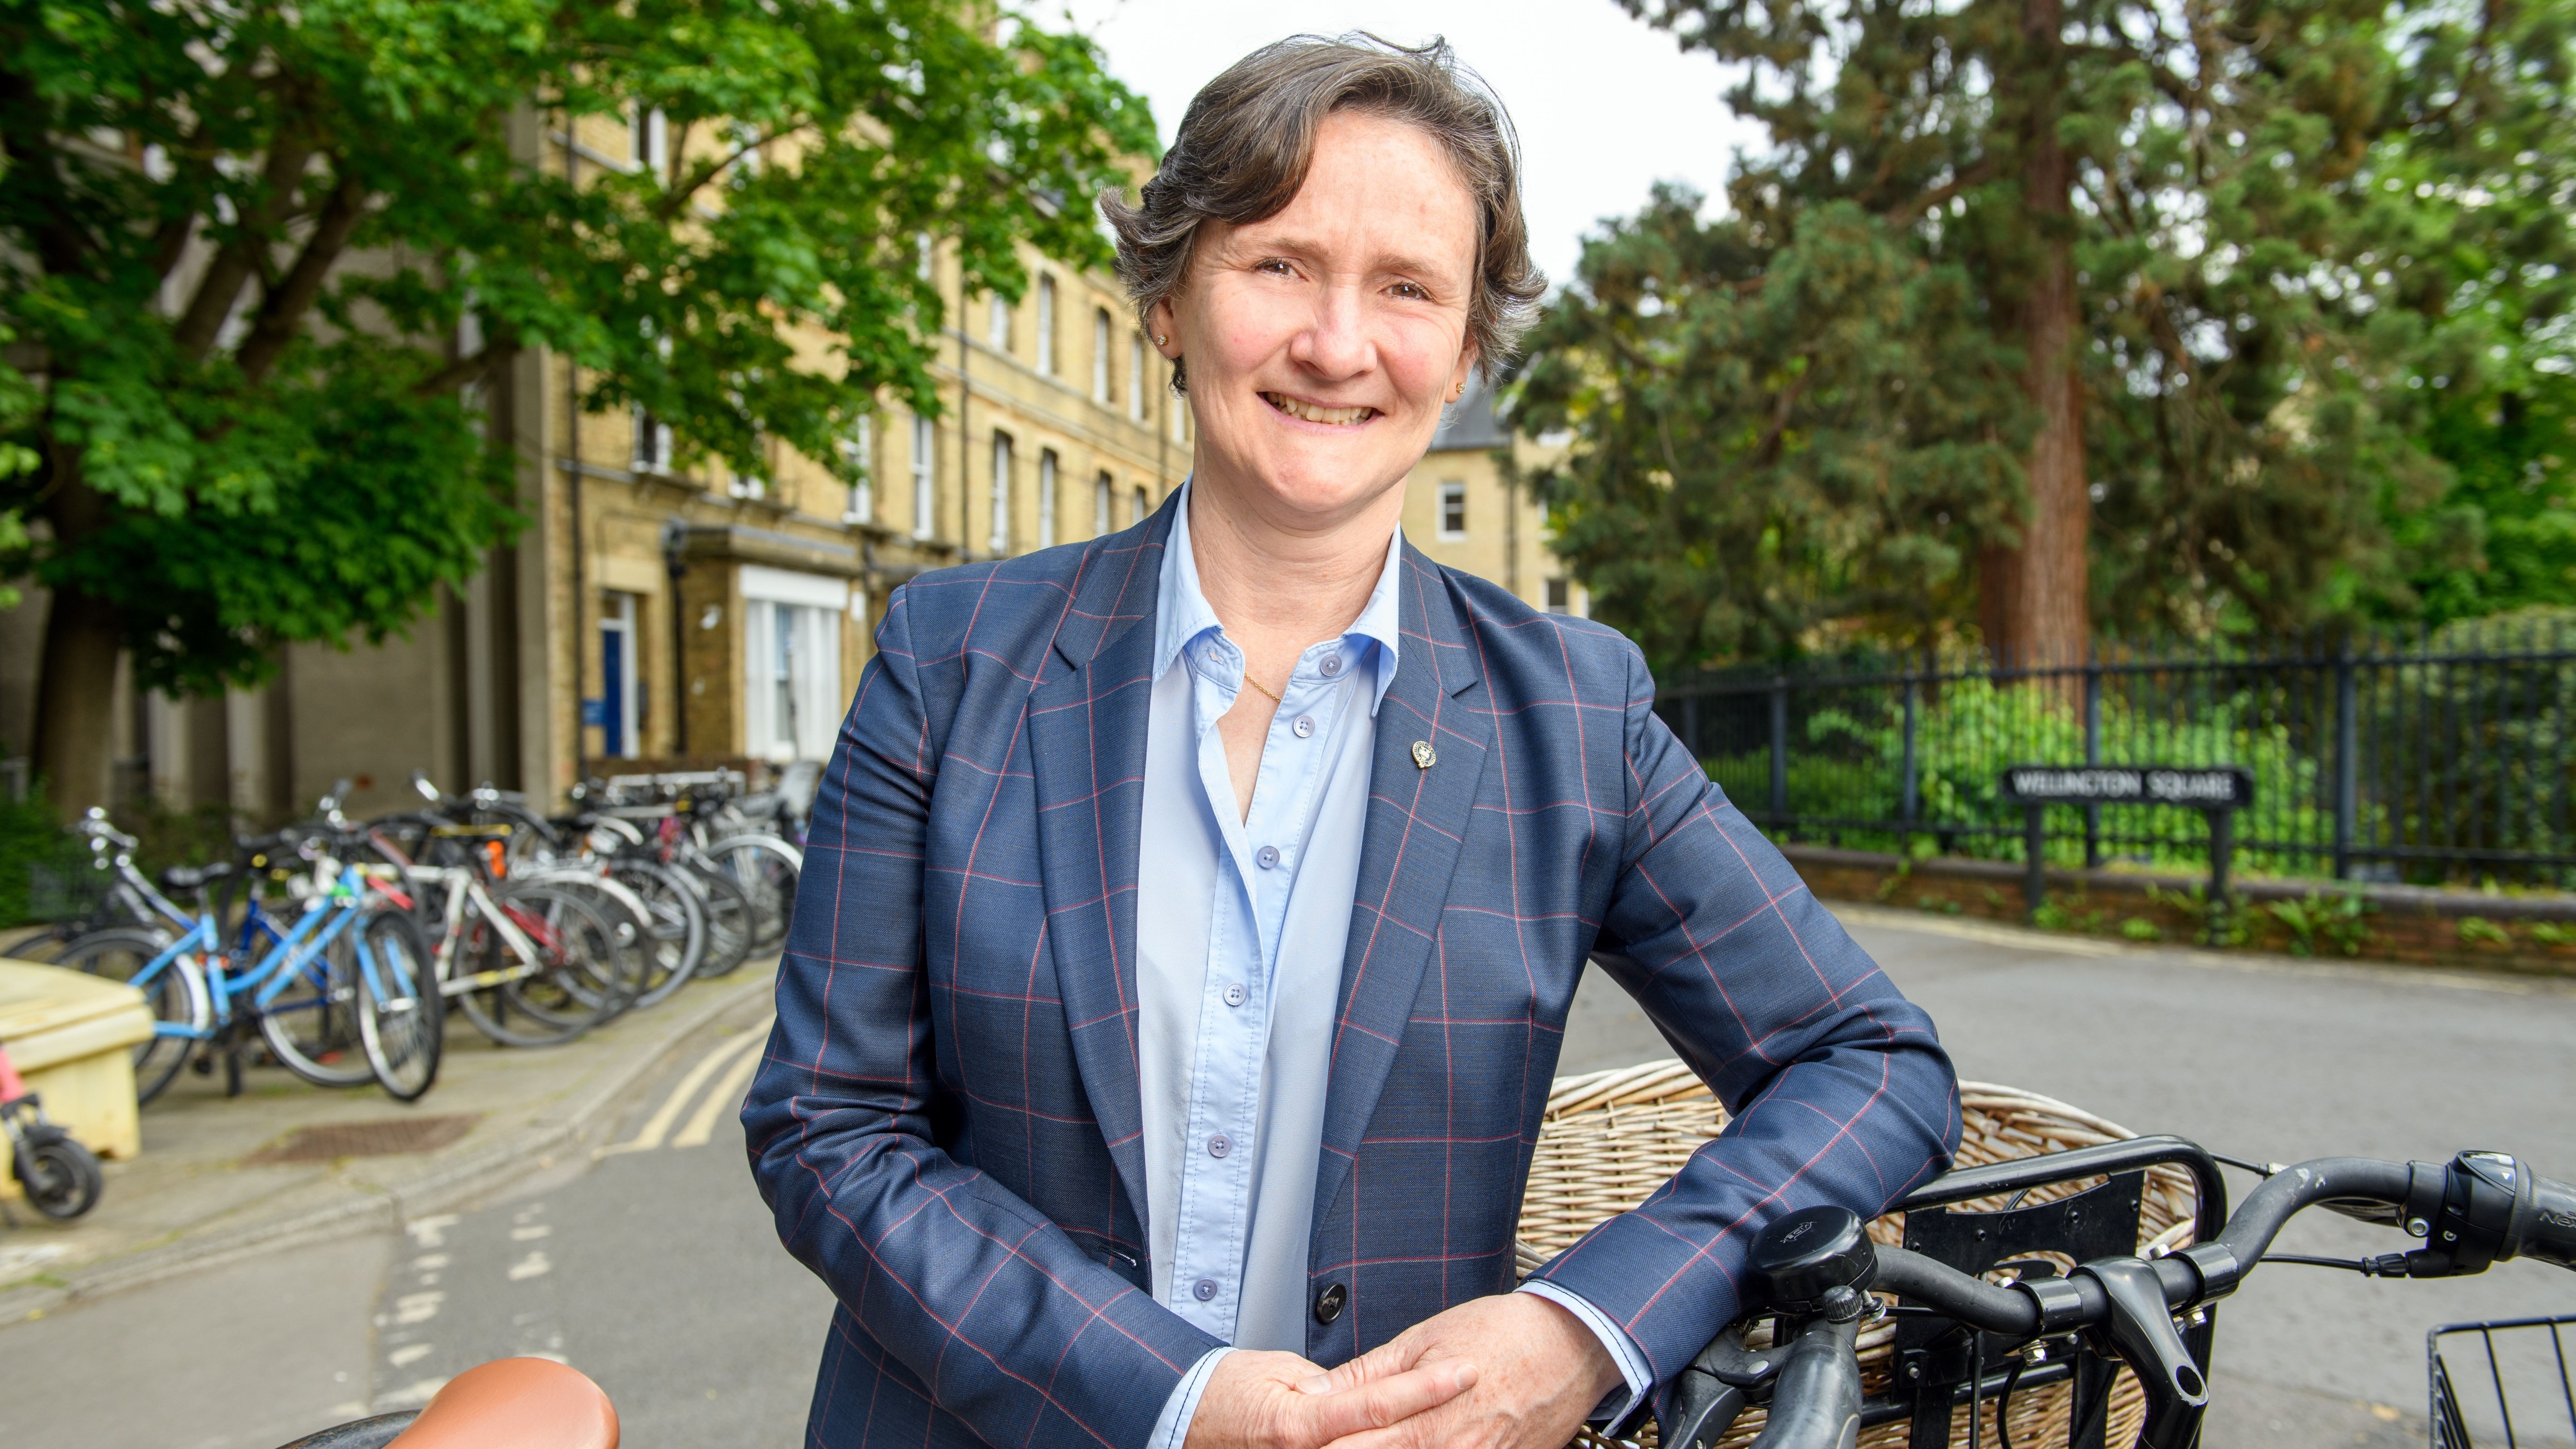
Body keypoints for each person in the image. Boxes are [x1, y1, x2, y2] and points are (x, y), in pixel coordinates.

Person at [744, 33, 1958, 1449]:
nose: (1337, 343)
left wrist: (1587, 1323)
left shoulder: (1572, 708)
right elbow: (830, 1131)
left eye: (1406, 289)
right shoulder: (953, 658)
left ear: (1461, 350)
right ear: (1168, 299)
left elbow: (1871, 1061)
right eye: (1279, 265)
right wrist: (1174, 1392)